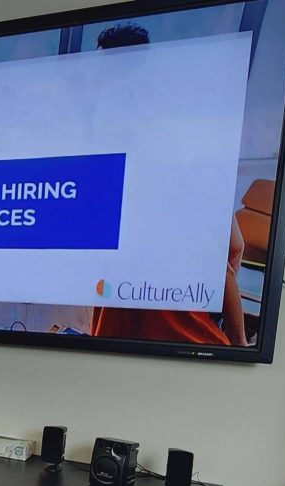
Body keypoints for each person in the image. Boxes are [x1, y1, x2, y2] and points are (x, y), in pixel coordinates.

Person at [88, 21, 249, 346]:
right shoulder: (181, 139)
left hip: (133, 323)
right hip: (187, 333)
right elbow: (233, 248)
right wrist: (240, 344)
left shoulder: (118, 128)